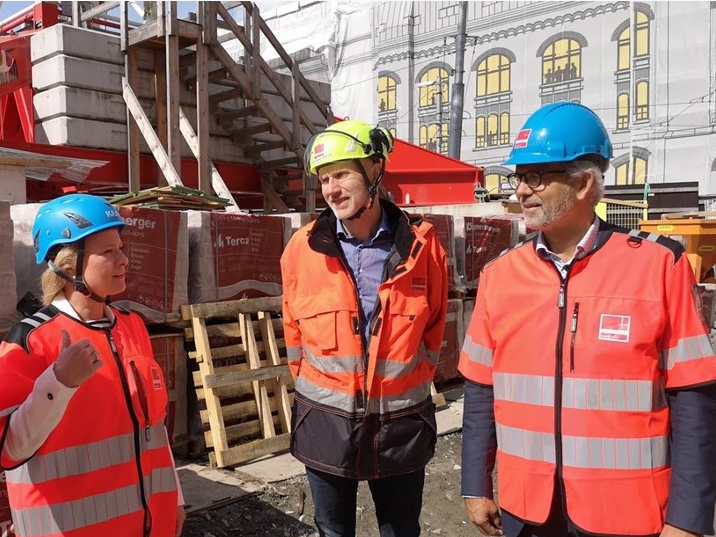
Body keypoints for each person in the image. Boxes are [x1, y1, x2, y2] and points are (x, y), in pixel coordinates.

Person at [459, 101, 716, 537]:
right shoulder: (499, 275)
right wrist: (474, 485)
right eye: (517, 176)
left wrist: (687, 518)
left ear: (583, 184)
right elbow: (481, 389)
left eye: (535, 177)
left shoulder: (657, 265)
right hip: (529, 508)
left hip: (626, 510)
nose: (520, 191)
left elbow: (693, 398)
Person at [281, 119, 448, 536]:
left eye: (341, 175)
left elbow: (436, 328)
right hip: (325, 424)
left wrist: (409, 382)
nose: (331, 190)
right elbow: (293, 333)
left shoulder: (422, 246)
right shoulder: (301, 249)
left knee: (400, 530)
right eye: (323, 180)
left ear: (375, 169)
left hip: (400, 425)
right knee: (332, 531)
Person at [0, 194, 185, 537]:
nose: (124, 259)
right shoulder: (29, 340)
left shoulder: (133, 326)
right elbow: (9, 451)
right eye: (108, 252)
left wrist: (175, 496)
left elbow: (153, 427)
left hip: (150, 524)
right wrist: (58, 383)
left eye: (121, 247)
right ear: (69, 266)